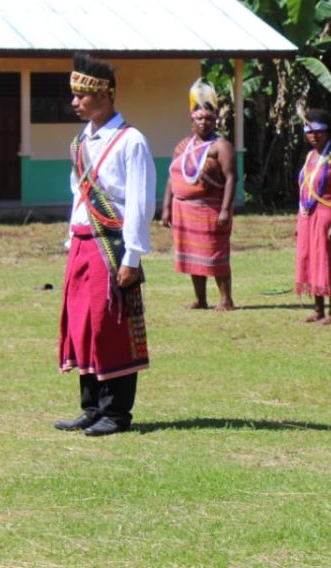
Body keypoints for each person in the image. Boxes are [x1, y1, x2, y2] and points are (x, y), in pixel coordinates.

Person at [54, 53, 155, 437]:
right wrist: (70, 237)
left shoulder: (132, 141)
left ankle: (117, 412)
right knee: (82, 325)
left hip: (110, 247)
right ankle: (92, 406)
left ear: (105, 94)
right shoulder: (80, 141)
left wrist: (132, 255)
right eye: (74, 95)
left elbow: (141, 203)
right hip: (82, 243)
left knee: (110, 325)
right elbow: (77, 195)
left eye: (82, 95)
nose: (75, 102)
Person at [160, 79, 236, 311]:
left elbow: (232, 177)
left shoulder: (221, 146)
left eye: (209, 119)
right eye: (199, 118)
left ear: (215, 121)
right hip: (184, 209)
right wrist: (166, 208)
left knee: (214, 252)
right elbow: (172, 177)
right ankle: (201, 299)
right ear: (192, 120)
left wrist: (224, 210)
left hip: (210, 209)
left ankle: (226, 299)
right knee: (192, 254)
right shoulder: (183, 145)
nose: (204, 122)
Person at [295, 108, 331, 324]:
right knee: (310, 258)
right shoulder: (310, 156)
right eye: (309, 132)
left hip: (326, 213)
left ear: (327, 132)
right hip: (307, 214)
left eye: (319, 132)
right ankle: (318, 309)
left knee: (327, 259)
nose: (314, 136)